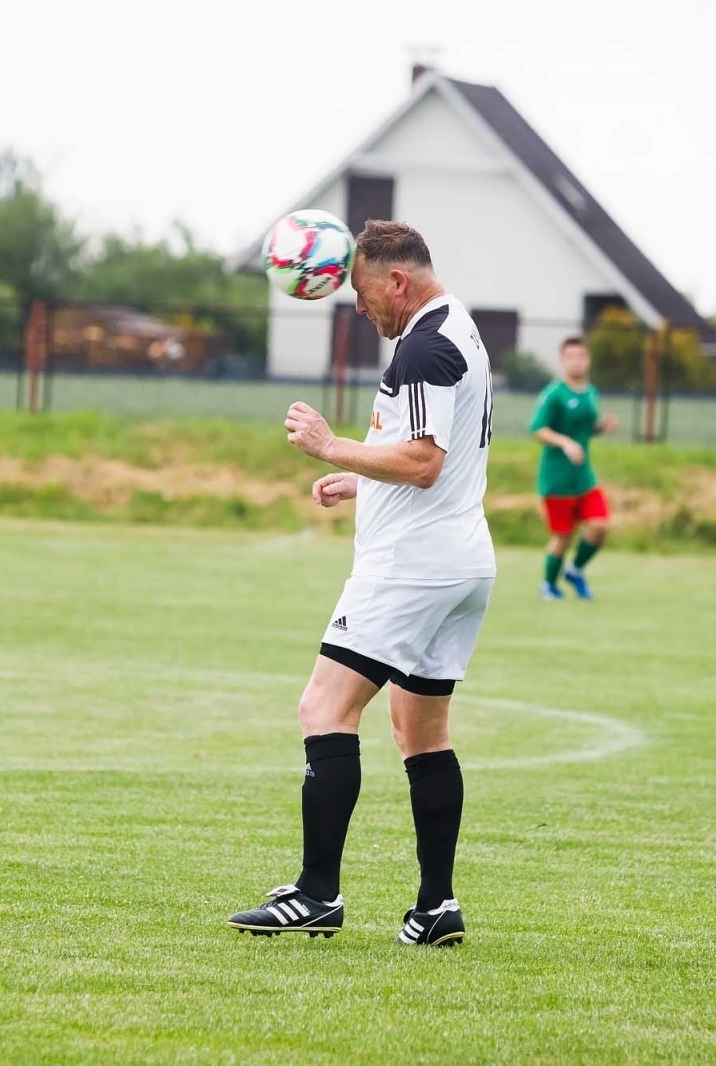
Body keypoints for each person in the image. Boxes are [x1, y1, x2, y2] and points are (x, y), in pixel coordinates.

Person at [227, 220, 494, 948]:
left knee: (323, 707)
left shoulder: (425, 347)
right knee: (421, 733)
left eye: (363, 290)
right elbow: (431, 457)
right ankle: (435, 907)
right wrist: (361, 480)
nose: (358, 306)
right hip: (460, 559)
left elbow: (424, 461)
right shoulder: (459, 328)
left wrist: (329, 443)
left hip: (411, 567)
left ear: (397, 281)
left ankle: (317, 892)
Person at [529, 336, 618, 600]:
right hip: (557, 480)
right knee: (563, 537)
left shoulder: (590, 392)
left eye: (581, 356)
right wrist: (565, 443)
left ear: (588, 360)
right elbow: (537, 430)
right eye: (570, 357)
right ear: (562, 361)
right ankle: (548, 585)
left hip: (584, 478)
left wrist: (601, 428)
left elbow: (583, 430)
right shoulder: (554, 394)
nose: (576, 362)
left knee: (600, 525)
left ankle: (576, 570)